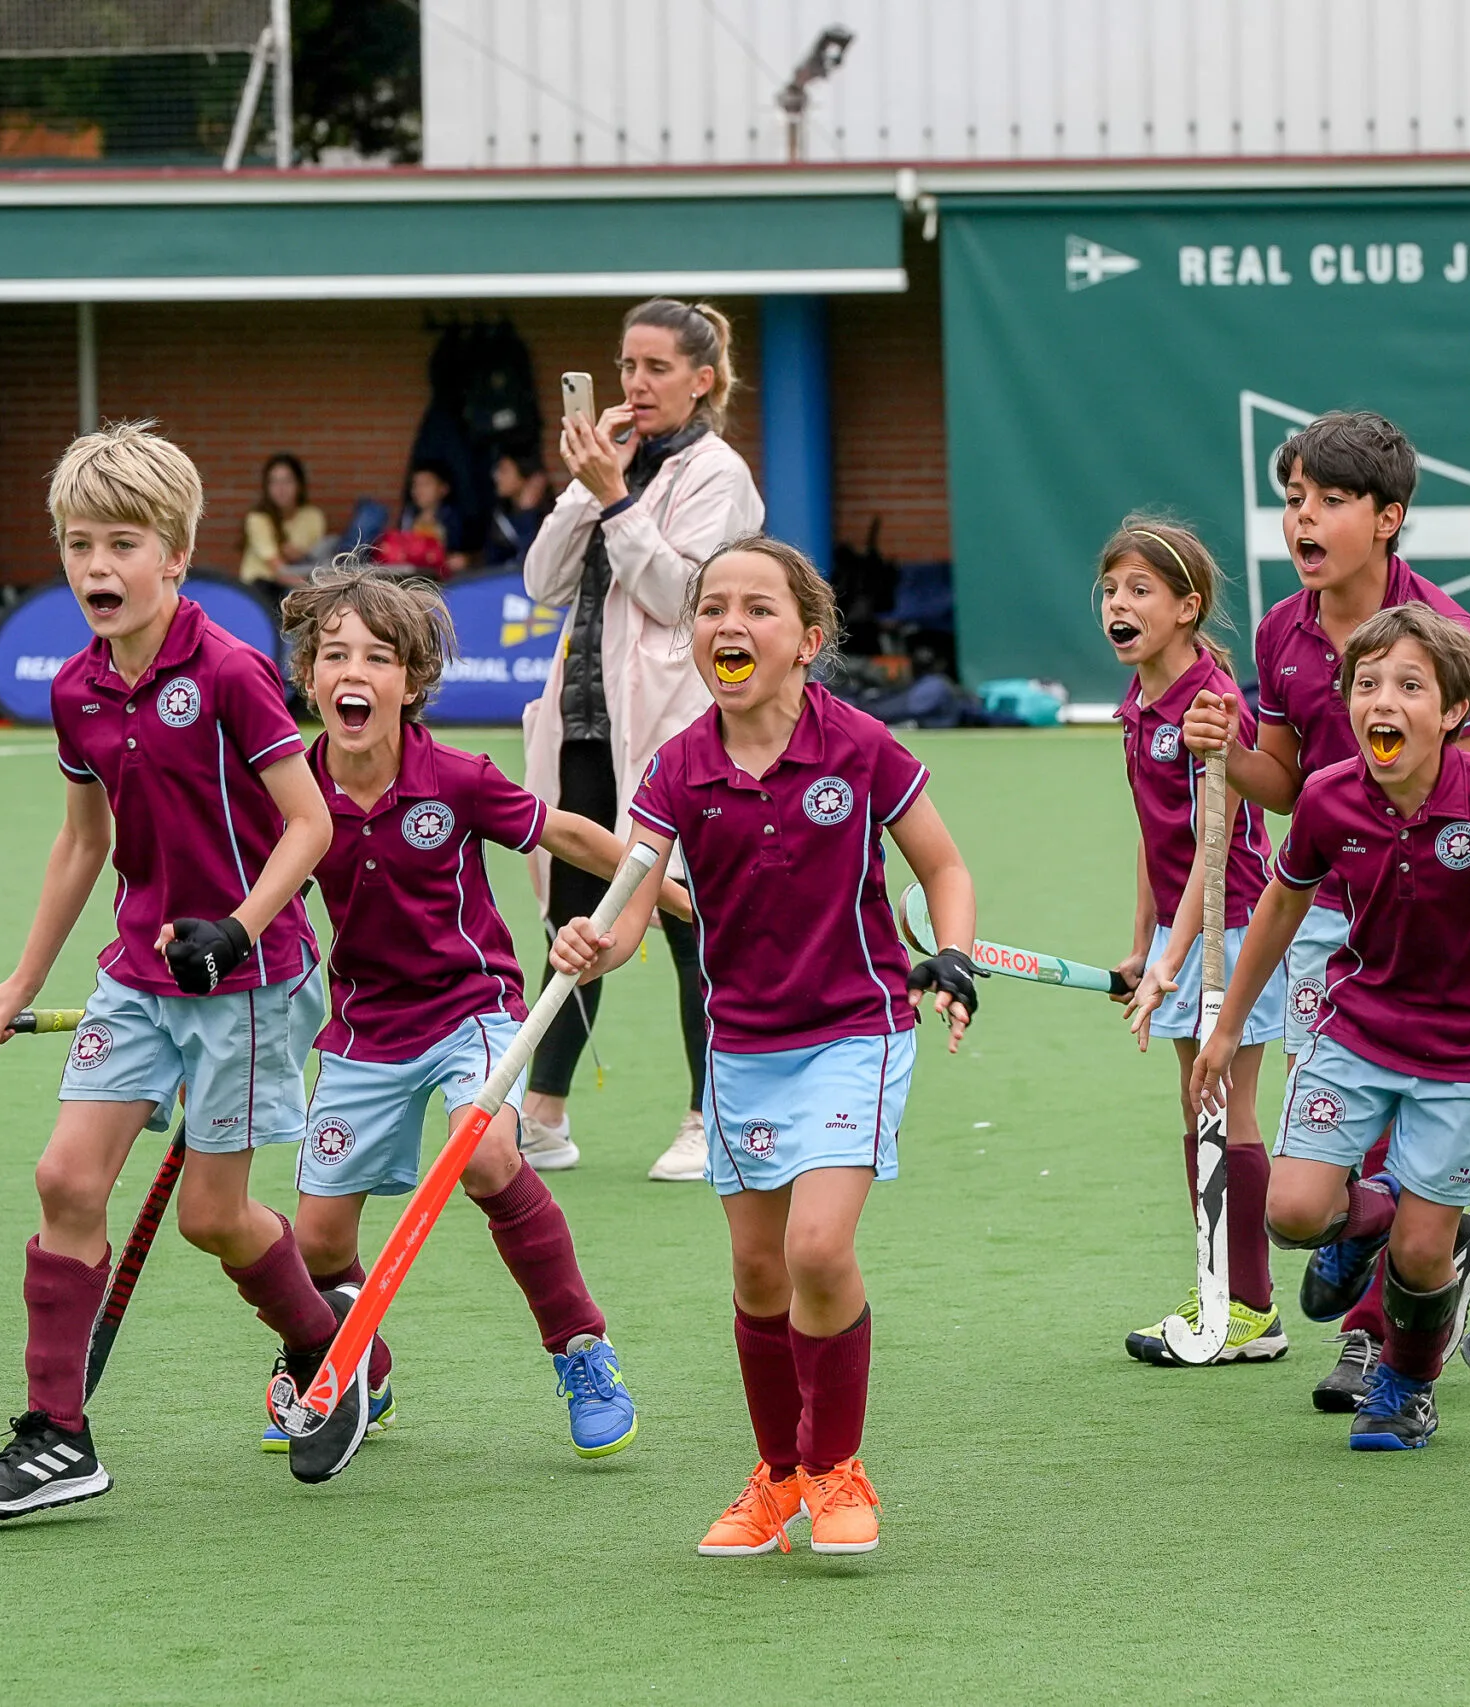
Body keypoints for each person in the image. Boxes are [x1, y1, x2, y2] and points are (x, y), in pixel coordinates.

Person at [0, 422, 343, 1525]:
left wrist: (237, 930)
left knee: (214, 1218)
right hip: (137, 975)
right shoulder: (76, 687)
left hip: (246, 983)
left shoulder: (230, 671)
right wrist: (21, 981)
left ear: (175, 554)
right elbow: (84, 842)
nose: (97, 567)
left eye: (122, 544)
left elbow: (309, 825)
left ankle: (328, 1344)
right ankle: (56, 1436)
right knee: (67, 1180)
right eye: (79, 545)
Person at [550, 535, 978, 1558]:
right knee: (756, 1272)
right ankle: (778, 1475)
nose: (728, 625)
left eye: (756, 608)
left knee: (816, 1248)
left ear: (808, 639)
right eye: (711, 609)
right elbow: (632, 904)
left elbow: (944, 867)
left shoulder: (861, 745)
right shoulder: (678, 768)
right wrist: (593, 942)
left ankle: (835, 1466)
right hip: (742, 1044)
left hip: (857, 1030)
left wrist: (954, 954)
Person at [265, 565, 698, 1467]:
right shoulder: (294, 793)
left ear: (411, 682)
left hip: (474, 1010)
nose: (354, 672)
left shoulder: (455, 777)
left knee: (489, 1152)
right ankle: (355, 1365)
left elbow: (568, 833)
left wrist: (671, 891)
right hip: (363, 1029)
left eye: (378, 657)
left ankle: (581, 1349)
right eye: (334, 655)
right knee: (318, 1241)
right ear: (308, 677)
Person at [1191, 605, 1470, 1448]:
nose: (1384, 701)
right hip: (1356, 1036)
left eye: (1410, 686)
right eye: (1368, 684)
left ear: (1452, 711)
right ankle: (1372, 1216)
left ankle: (1407, 1383)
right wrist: (1228, 1027)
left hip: (1465, 1058)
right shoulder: (1327, 796)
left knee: (1422, 1258)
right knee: (1292, 1211)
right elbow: (1282, 905)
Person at [1182, 410, 1470, 1409]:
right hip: (1326, 906)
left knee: (1403, 1143)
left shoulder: (1446, 636)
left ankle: (1375, 1339)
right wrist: (1226, 750)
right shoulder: (1281, 629)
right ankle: (1402, 1232)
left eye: (1329, 501)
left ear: (1388, 517)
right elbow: (1283, 784)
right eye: (1293, 501)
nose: (1304, 519)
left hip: (1431, 919)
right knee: (1334, 1142)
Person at [521, 298, 765, 1183]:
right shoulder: (614, 463)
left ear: (702, 380)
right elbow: (542, 581)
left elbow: (685, 597)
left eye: (656, 367)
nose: (635, 383)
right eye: (627, 365)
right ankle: (543, 1113)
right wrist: (588, 485)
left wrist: (617, 498)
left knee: (689, 918)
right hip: (584, 725)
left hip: (675, 732)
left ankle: (710, 1116)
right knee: (573, 918)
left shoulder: (718, 473)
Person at [1099, 519, 1287, 1367]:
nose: (1119, 602)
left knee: (1226, 1104)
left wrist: (1173, 959)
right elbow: (1154, 835)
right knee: (1196, 1103)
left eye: (1140, 589)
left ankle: (1251, 1306)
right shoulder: (1137, 704)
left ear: (1187, 606)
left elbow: (1214, 846)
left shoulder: (1211, 706)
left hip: (1234, 926)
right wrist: (1141, 946)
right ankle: (1219, 1286)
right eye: (1111, 588)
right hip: (1184, 930)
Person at [240, 453, 327, 590]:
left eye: (287, 481)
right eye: (274, 482)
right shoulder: (258, 519)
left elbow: (316, 559)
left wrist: (301, 555)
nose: (281, 488)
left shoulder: (313, 517)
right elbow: (279, 571)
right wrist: (312, 588)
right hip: (262, 586)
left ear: (299, 484)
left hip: (300, 581)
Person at [484, 451, 552, 568]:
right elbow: (492, 560)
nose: (497, 477)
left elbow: (533, 557)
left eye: (504, 471)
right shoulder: (500, 518)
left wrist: (528, 512)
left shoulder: (549, 515)